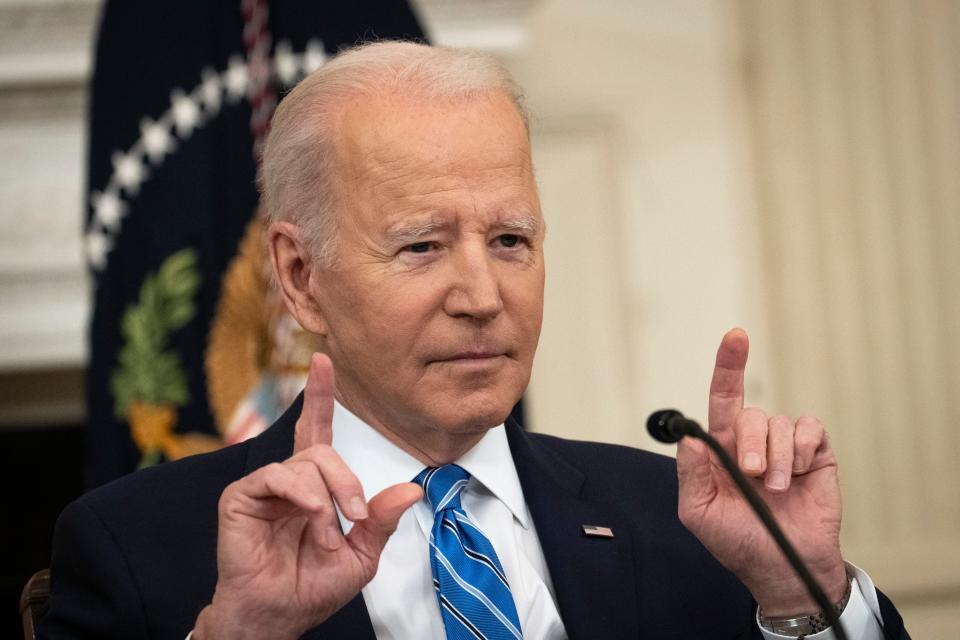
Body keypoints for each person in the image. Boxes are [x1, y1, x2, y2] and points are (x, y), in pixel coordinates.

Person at [40, 41, 908, 640]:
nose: (484, 298)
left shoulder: (690, 522)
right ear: (301, 278)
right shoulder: (138, 549)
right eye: (421, 245)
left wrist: (804, 597)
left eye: (510, 242)